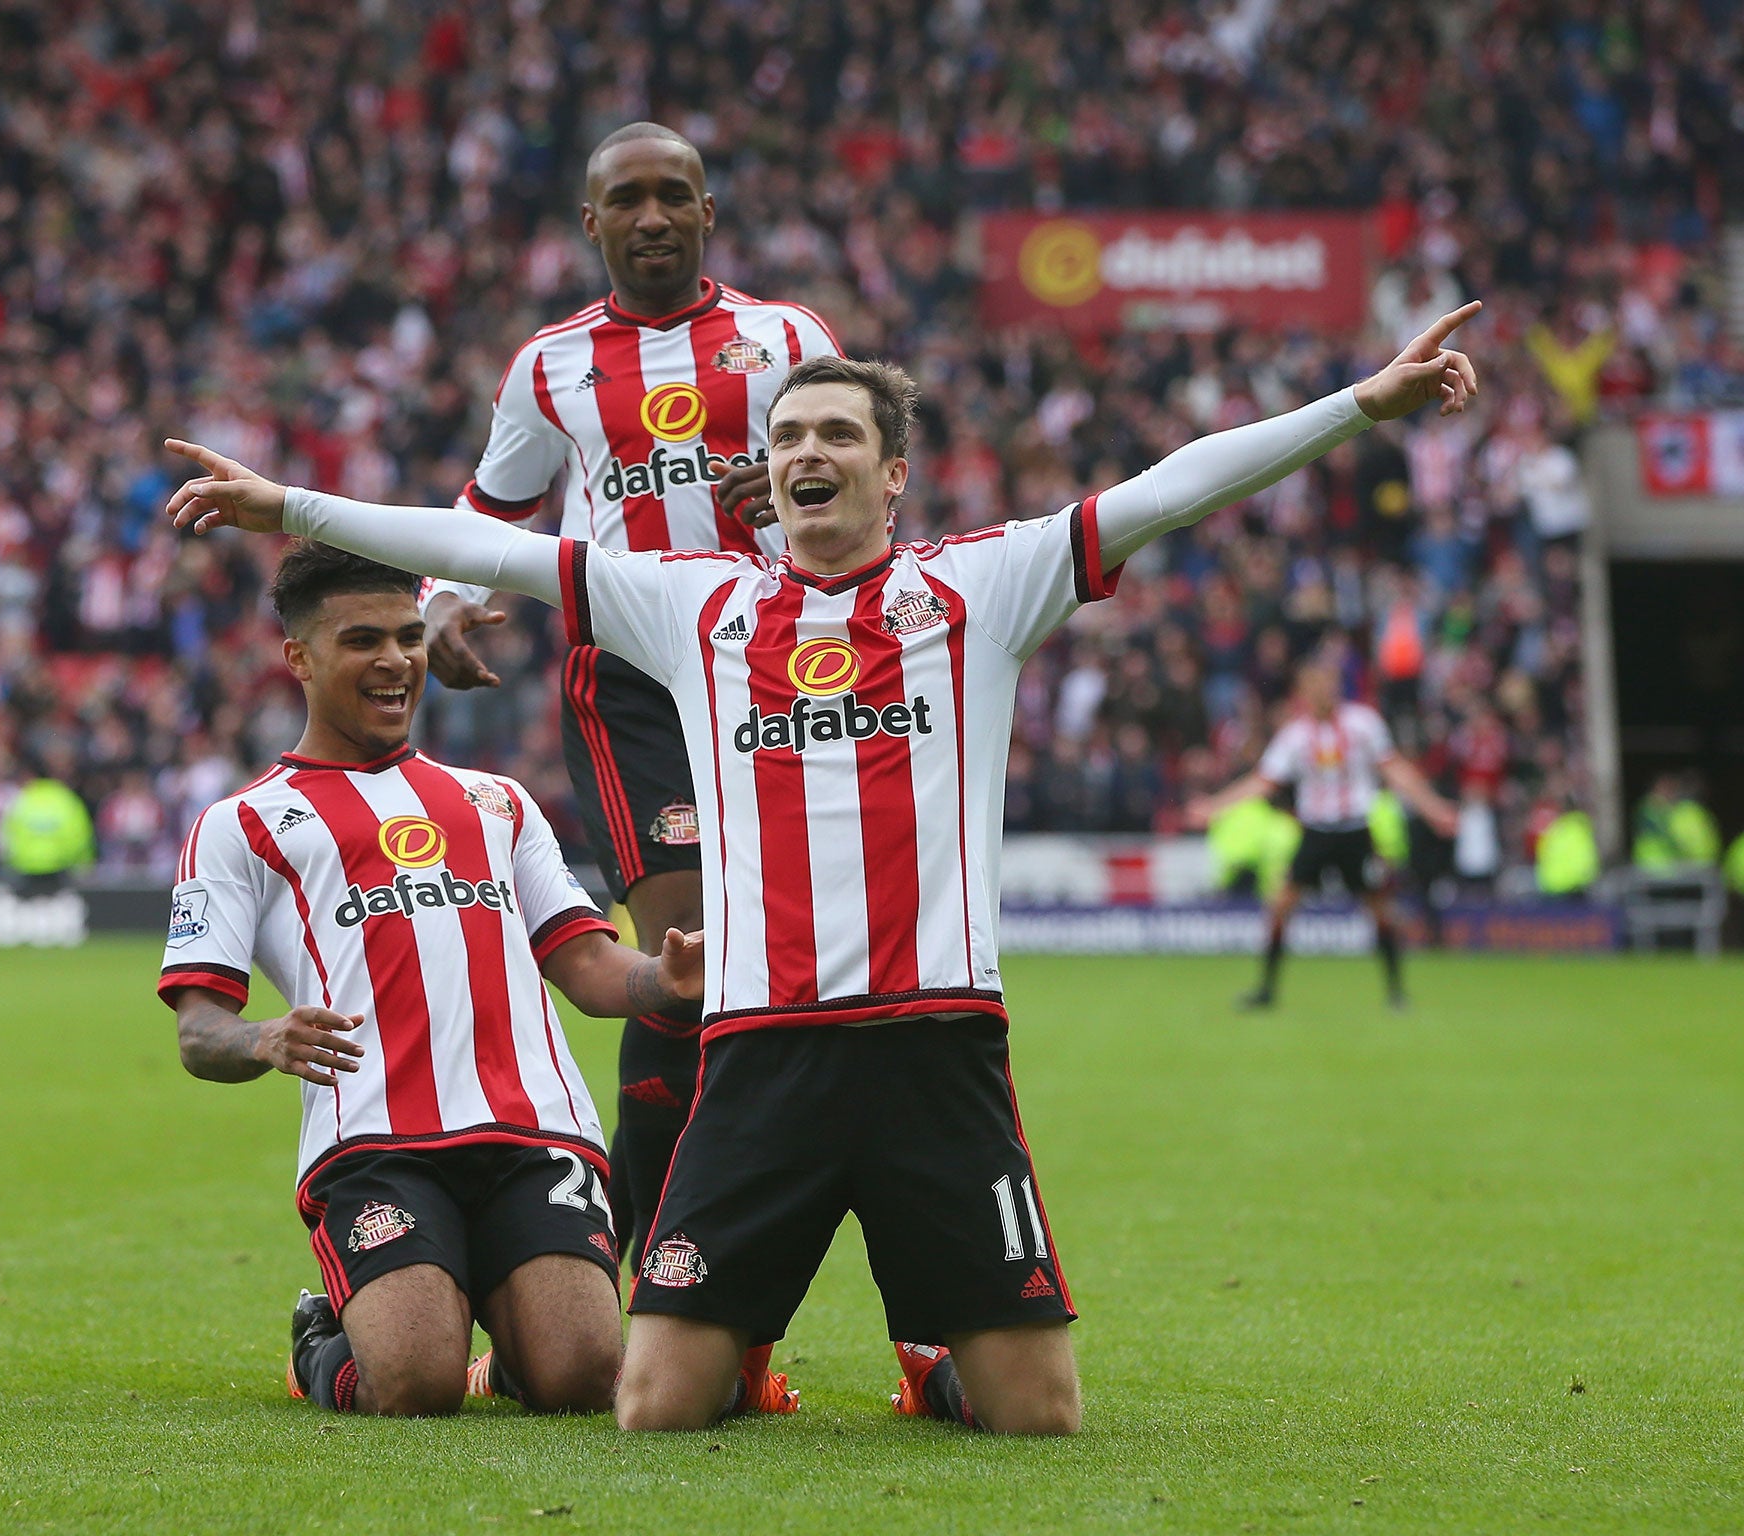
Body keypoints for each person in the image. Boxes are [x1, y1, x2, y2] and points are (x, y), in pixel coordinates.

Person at [164, 303, 1483, 1434]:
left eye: (838, 435)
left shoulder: (989, 586)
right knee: (651, 1402)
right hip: (764, 1052)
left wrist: (1363, 404)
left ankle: (942, 1359)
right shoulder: (697, 607)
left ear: (893, 474)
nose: (808, 452)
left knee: (1043, 1416)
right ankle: (819, 1332)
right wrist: (287, 506)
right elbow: (491, 549)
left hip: (936, 1044)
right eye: (789, 436)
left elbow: (1178, 483)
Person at [420, 123, 842, 1311]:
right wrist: (441, 605)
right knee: (691, 967)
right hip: (636, 687)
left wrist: (793, 479)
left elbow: (858, 470)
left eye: (673, 197)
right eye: (628, 200)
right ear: (591, 224)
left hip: (780, 669)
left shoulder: (787, 339)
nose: (652, 217)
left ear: (708, 214)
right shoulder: (548, 365)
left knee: (801, 974)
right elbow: (491, 505)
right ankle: (640, 1272)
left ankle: (700, 1276)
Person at [160, 542, 730, 1418]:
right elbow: (200, 1029)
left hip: (532, 1131)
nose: (395, 661)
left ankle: (511, 1348)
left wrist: (663, 978)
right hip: (377, 1146)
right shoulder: (240, 825)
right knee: (414, 1387)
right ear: (300, 659)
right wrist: (264, 1038)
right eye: (362, 640)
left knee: (581, 1378)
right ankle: (326, 1339)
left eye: (407, 636)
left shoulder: (496, 800)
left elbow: (585, 966)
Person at [1184, 659, 1459, 1010]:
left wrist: (1434, 809)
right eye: (1313, 689)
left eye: (1325, 687)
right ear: (1303, 695)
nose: (1320, 695)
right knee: (1281, 906)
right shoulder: (1295, 736)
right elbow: (1263, 781)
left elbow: (1396, 772)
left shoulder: (1363, 724)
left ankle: (1395, 992)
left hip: (1354, 830)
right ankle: (1266, 990)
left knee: (1378, 909)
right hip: (1315, 832)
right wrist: (1214, 806)